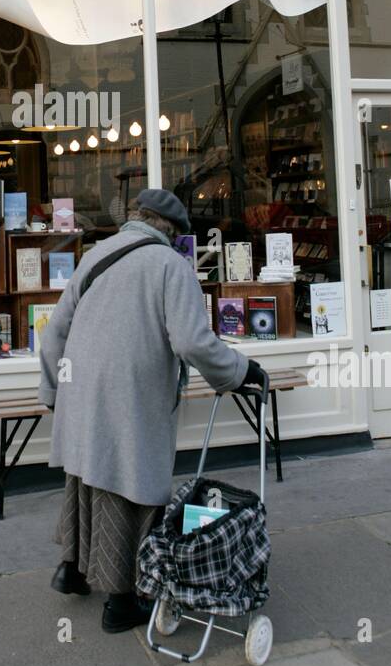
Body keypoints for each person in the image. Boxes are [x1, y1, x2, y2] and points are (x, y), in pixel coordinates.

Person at [39, 188, 264, 634]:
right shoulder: (170, 266)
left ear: (137, 219)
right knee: (129, 486)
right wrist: (239, 370)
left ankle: (73, 569)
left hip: (79, 388)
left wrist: (52, 392)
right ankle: (122, 602)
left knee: (86, 475)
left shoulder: (95, 255)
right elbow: (192, 341)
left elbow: (53, 333)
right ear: (172, 231)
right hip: (129, 398)